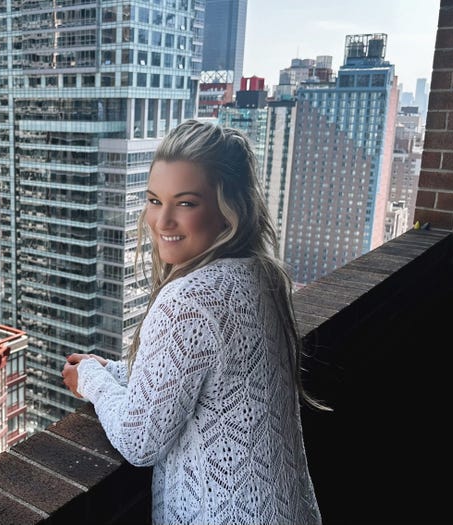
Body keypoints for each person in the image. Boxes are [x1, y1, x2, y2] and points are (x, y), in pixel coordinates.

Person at [62, 119, 325, 525]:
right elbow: (200, 378)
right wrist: (111, 370)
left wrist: (92, 384)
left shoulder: (189, 298)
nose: (162, 220)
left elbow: (139, 440)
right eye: (154, 200)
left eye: (185, 203)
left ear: (228, 209)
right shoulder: (262, 274)